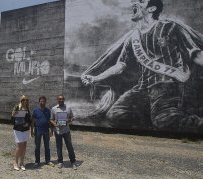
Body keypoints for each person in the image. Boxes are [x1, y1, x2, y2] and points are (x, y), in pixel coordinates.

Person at [81, 0, 203, 132]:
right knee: (115, 115)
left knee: (164, 121)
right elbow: (120, 65)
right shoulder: (133, 37)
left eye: (141, 1)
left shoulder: (170, 27)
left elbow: (195, 53)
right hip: (142, 87)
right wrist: (95, 78)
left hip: (168, 84)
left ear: (152, 9)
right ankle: (153, 118)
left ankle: (196, 123)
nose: (134, 2)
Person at [50, 95, 78, 169]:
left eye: (62, 99)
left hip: (66, 130)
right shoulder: (54, 109)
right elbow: (51, 119)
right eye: (59, 99)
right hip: (58, 131)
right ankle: (60, 162)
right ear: (57, 100)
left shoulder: (68, 108)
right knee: (59, 147)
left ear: (64, 100)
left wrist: (69, 120)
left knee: (69, 146)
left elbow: (73, 117)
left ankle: (73, 161)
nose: (61, 100)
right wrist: (54, 124)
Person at [31, 96, 54, 168]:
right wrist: (32, 130)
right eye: (41, 101)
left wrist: (51, 130)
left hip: (46, 130)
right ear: (39, 102)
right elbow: (32, 121)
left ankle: (47, 160)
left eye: (44, 101)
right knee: (37, 146)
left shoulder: (48, 111)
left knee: (47, 146)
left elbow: (50, 121)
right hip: (38, 130)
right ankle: (37, 161)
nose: (42, 102)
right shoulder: (35, 110)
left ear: (46, 102)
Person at [11, 95, 32, 171]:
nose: (25, 101)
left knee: (24, 147)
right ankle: (15, 162)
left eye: (26, 100)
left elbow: (29, 120)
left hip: (26, 130)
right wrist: (16, 112)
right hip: (18, 129)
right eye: (23, 100)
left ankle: (22, 163)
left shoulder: (28, 109)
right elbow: (12, 116)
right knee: (19, 147)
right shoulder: (17, 107)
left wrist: (28, 124)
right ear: (21, 100)